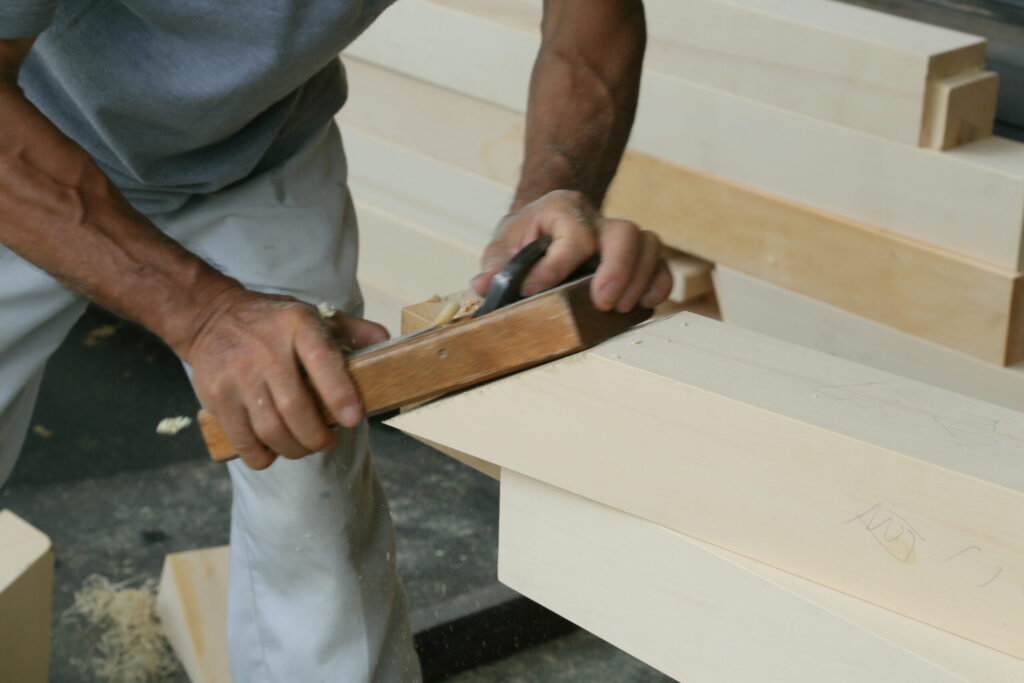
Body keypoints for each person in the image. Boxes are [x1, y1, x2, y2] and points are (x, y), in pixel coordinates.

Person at [0, 0, 671, 679]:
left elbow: (594, 12)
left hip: (256, 146)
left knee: (311, 499)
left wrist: (555, 187)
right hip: (23, 149)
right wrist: (203, 314)